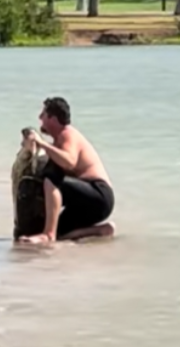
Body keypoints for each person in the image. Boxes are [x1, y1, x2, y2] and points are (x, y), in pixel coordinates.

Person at [17, 97, 116, 244]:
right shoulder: (59, 140)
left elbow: (69, 162)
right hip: (89, 202)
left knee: (51, 175)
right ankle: (101, 230)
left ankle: (48, 234)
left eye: (43, 114)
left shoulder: (67, 134)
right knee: (61, 234)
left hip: (99, 194)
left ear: (53, 119)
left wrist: (42, 144)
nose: (40, 118)